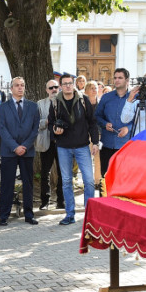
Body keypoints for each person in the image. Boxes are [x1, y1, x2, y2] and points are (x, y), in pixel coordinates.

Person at [50, 73, 100, 226]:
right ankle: (69, 214)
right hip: (63, 147)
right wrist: (55, 130)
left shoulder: (83, 100)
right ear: (61, 86)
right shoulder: (55, 103)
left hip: (82, 146)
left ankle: (89, 216)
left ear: (74, 84)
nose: (67, 86)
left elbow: (92, 122)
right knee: (66, 181)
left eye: (69, 83)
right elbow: (51, 123)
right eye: (64, 84)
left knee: (89, 181)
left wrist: (96, 142)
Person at [0, 77, 39, 226]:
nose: (20, 88)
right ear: (11, 88)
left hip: (27, 151)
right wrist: (15, 147)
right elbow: (3, 129)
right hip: (9, 151)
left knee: (28, 184)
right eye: (17, 85)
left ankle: (29, 215)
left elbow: (35, 130)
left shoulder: (33, 106)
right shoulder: (3, 107)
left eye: (22, 85)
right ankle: (4, 216)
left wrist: (25, 146)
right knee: (7, 183)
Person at [94, 68, 131, 183]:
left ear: (127, 80)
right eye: (115, 78)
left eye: (120, 78)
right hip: (107, 144)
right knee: (105, 177)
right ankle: (104, 200)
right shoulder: (106, 97)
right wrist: (105, 124)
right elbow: (97, 116)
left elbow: (140, 120)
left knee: (124, 178)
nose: (117, 80)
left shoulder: (135, 98)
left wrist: (128, 128)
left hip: (126, 145)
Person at [36, 79, 64, 210]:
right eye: (51, 87)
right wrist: (46, 121)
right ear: (47, 90)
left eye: (56, 87)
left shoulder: (64, 101)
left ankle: (61, 201)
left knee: (62, 173)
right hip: (47, 142)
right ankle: (45, 201)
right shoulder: (40, 104)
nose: (54, 89)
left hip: (62, 143)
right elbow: (35, 124)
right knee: (44, 173)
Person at [82, 81, 102, 189]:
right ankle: (87, 181)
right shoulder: (83, 104)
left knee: (98, 159)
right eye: (92, 88)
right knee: (86, 159)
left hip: (98, 134)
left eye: (95, 88)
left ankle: (97, 181)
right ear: (86, 91)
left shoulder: (100, 103)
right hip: (85, 135)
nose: (94, 90)